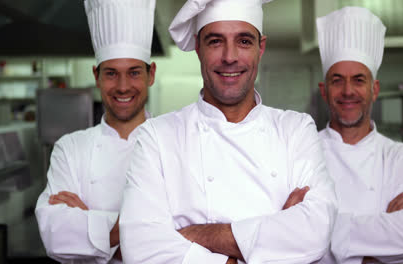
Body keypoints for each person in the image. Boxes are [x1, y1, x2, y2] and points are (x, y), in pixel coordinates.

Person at [119, 0, 337, 263]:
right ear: (198, 48)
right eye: (215, 41)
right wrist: (271, 235)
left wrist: (196, 235)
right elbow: (139, 247)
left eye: (244, 41)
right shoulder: (156, 136)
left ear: (261, 48)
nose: (230, 57)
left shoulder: (295, 129)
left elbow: (315, 232)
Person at [35, 0, 156, 263]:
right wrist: (145, 233)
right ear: (96, 76)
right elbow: (55, 236)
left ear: (151, 74)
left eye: (134, 72)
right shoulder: (70, 148)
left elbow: (185, 241)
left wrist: (89, 225)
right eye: (111, 73)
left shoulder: (173, 143)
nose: (123, 87)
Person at [316, 7, 403, 264]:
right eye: (337, 80)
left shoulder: (401, 157)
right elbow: (287, 235)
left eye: (358, 80)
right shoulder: (303, 151)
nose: (347, 91)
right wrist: (375, 250)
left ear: (374, 89)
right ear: (324, 90)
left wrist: (320, 229)